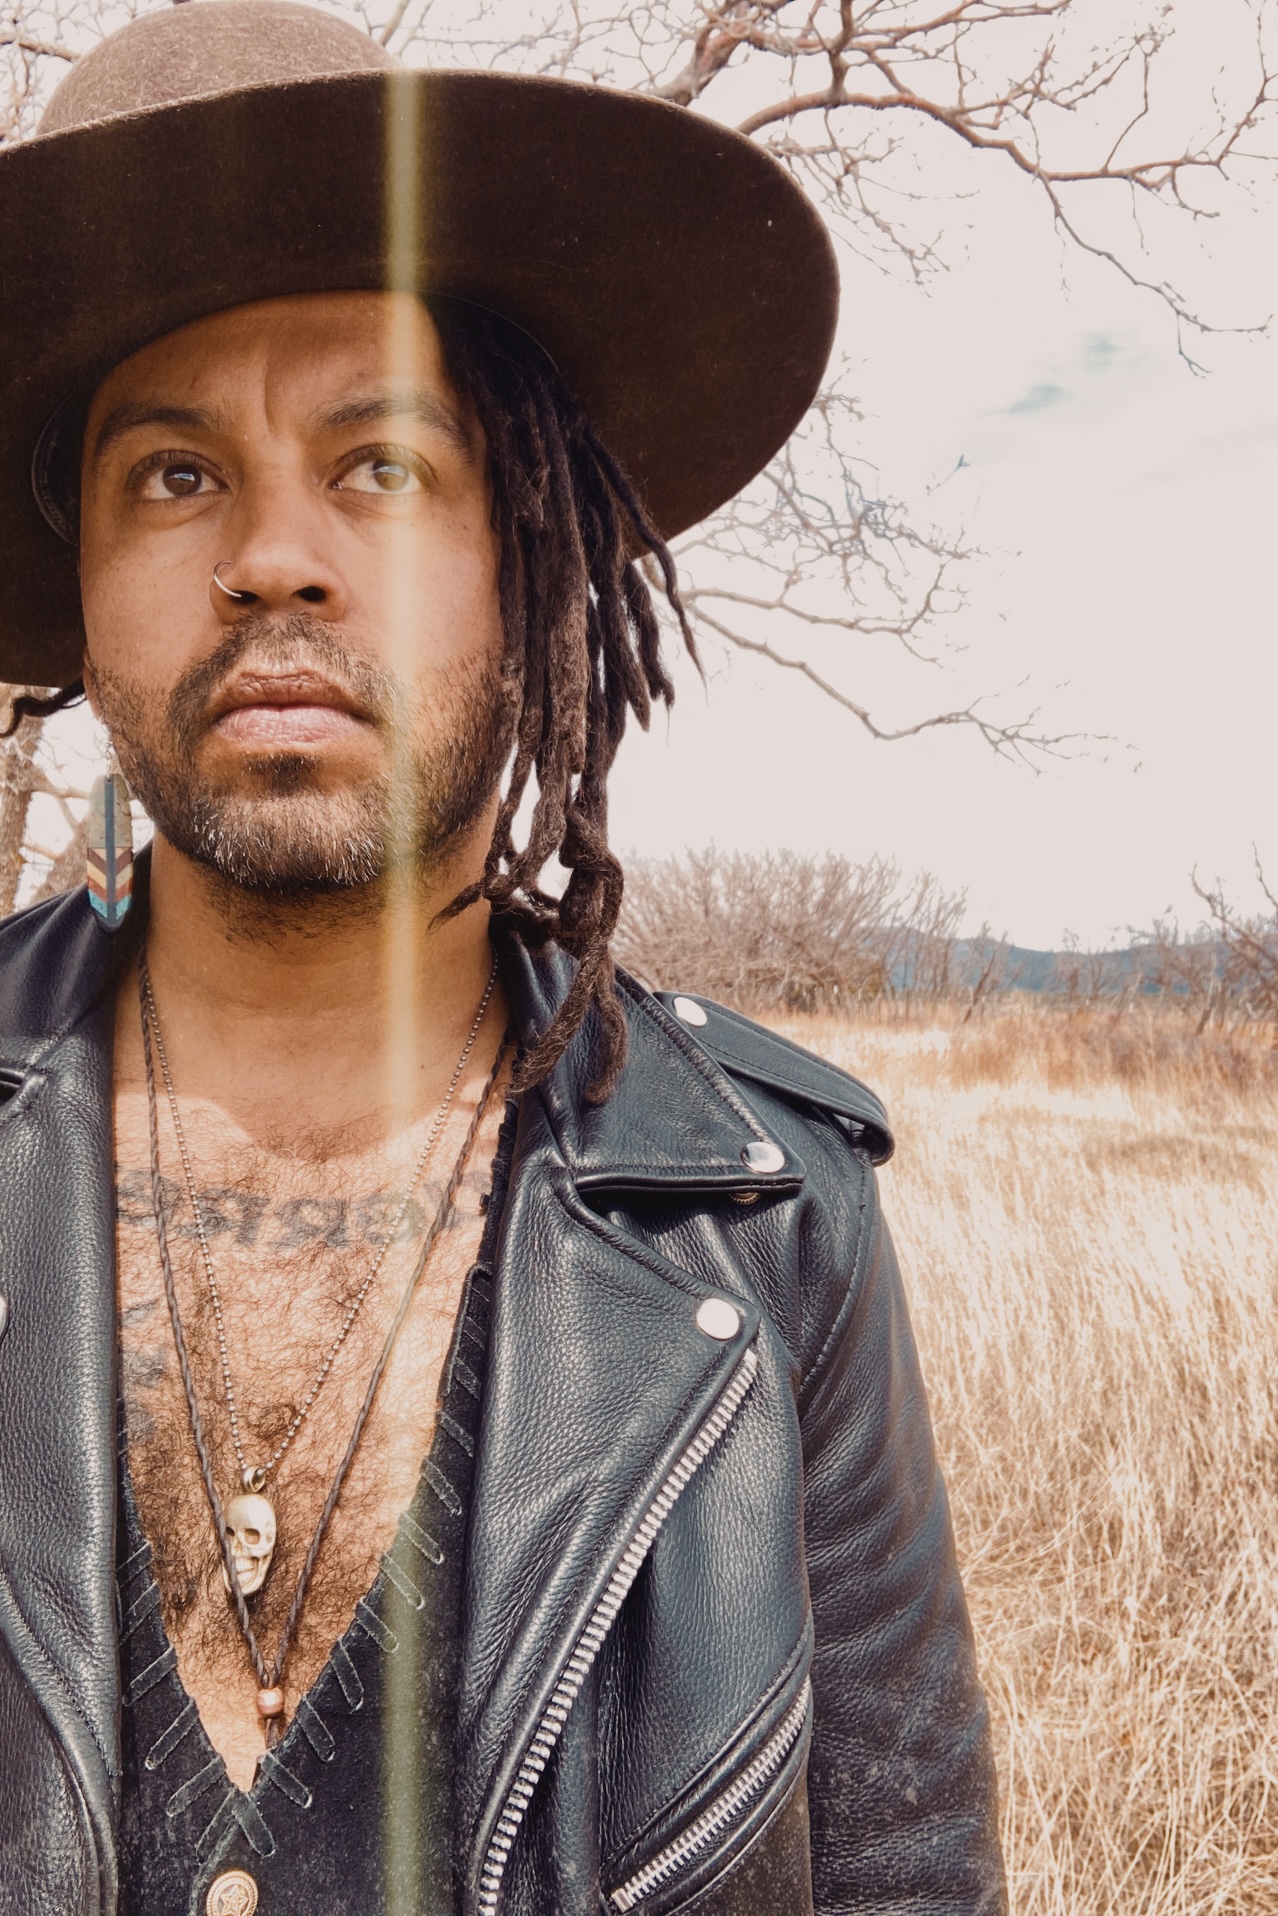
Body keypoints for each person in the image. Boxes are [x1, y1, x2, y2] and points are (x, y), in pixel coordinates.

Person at [0, 5, 1006, 1912]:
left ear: (526, 554)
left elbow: (905, 1866)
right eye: (173, 473)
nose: (275, 558)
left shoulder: (759, 1209)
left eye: (379, 466)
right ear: (81, 586)